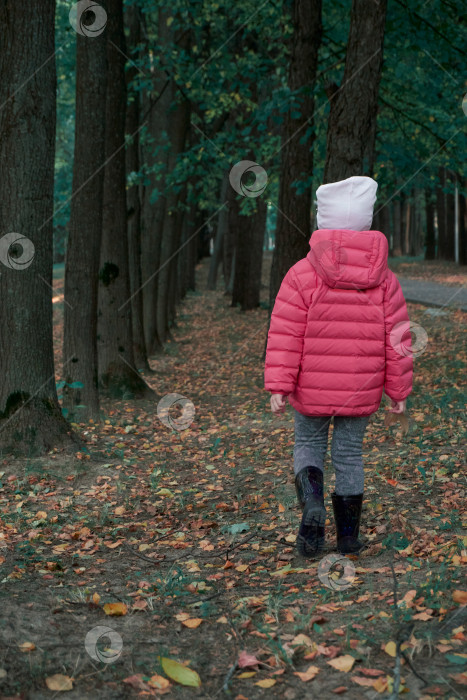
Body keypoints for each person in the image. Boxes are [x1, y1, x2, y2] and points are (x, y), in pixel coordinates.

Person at [264, 176, 413, 558]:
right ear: (366, 221)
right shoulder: (385, 280)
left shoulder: (301, 274)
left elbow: (285, 332)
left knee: (309, 444)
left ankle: (311, 514)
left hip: (310, 387)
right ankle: (348, 536)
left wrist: (280, 385)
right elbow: (398, 340)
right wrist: (398, 392)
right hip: (360, 387)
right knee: (349, 455)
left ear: (322, 220)